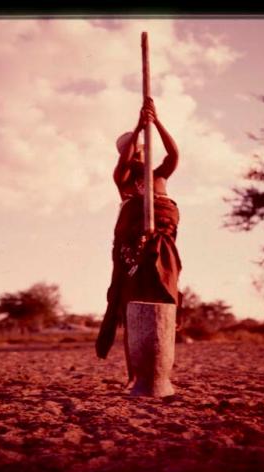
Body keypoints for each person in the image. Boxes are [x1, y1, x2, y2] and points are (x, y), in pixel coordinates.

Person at [95, 97, 182, 387]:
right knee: (131, 302)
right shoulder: (123, 177)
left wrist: (155, 122)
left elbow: (174, 154)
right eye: (133, 150)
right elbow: (125, 159)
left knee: (164, 291)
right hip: (134, 241)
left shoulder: (159, 176)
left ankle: (161, 374)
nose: (138, 154)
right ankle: (134, 376)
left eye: (141, 150)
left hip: (161, 238)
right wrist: (138, 125)